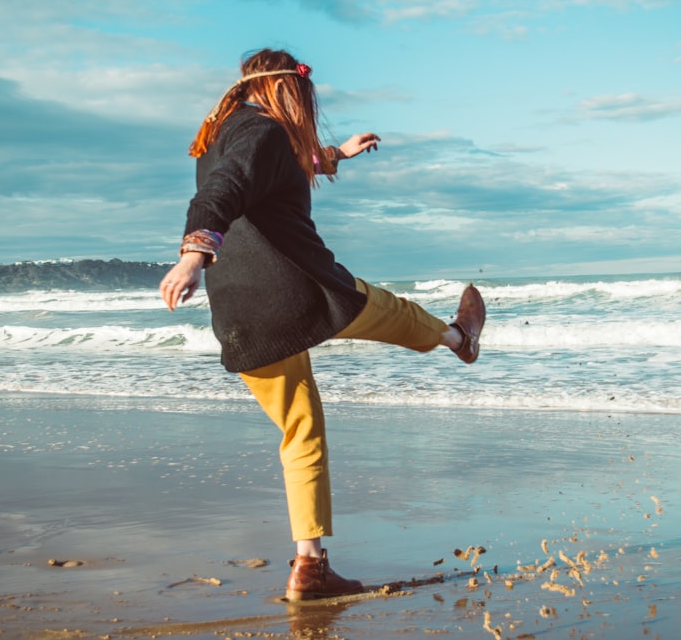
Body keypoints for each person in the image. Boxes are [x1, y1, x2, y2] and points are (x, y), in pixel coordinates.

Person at [159, 48, 485, 601]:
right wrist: (194, 251)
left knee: (300, 429)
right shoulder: (260, 131)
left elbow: (272, 170)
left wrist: (336, 155)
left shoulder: (221, 134)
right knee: (393, 310)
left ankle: (308, 567)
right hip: (300, 290)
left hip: (238, 312)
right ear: (288, 90)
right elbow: (226, 189)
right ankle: (461, 339)